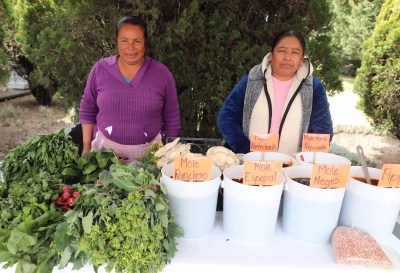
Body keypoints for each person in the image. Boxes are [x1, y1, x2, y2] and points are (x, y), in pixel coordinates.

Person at [79, 15, 181, 163]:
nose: (130, 47)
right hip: (104, 155)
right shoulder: (101, 69)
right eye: (124, 40)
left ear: (145, 43)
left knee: (146, 186)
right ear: (117, 42)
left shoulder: (162, 74)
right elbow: (88, 109)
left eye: (137, 41)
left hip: (150, 157)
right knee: (102, 186)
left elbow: (172, 118)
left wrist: (168, 153)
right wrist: (86, 147)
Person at [217, 30, 333, 156]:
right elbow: (226, 118)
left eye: (295, 52)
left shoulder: (313, 88)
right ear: (271, 55)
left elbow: (322, 130)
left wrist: (303, 161)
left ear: (301, 59)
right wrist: (247, 150)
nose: (287, 57)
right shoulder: (251, 82)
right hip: (250, 166)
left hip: (292, 169)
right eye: (282, 50)